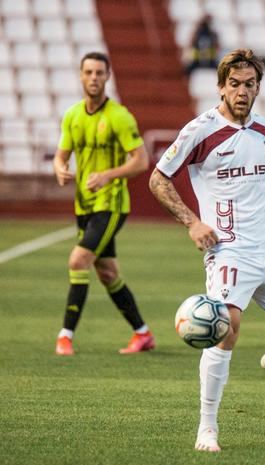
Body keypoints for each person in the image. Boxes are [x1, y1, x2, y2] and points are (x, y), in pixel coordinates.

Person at [149, 48, 265, 453]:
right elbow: (158, 179)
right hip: (229, 250)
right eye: (235, 84)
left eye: (250, 84)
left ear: (258, 87)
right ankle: (207, 429)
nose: (242, 91)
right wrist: (193, 222)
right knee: (225, 328)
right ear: (221, 86)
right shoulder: (200, 130)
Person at [52, 52, 154, 356]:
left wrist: (109, 175)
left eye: (99, 72)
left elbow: (141, 161)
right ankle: (143, 333)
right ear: (81, 76)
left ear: (107, 76)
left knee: (77, 261)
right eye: (89, 72)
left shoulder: (119, 116)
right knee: (107, 273)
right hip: (83, 206)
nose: (94, 77)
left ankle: (65, 336)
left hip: (111, 205)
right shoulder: (73, 115)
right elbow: (62, 153)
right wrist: (59, 167)